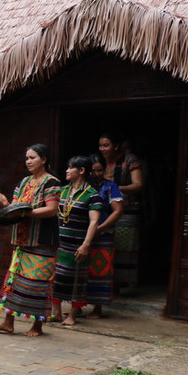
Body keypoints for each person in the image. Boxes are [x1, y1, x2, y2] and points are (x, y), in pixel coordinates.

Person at [0, 143, 61, 337]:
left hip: (42, 241)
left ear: (44, 159)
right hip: (21, 240)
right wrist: (5, 204)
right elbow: (14, 208)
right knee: (14, 281)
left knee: (39, 282)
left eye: (32, 158)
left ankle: (38, 325)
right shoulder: (23, 182)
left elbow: (52, 209)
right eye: (26, 158)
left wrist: (26, 213)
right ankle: (8, 322)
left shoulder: (51, 182)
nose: (28, 161)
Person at [51, 156, 102, 326]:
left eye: (70, 167)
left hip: (78, 243)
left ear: (81, 171)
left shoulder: (92, 195)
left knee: (76, 280)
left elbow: (94, 221)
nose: (66, 170)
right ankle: (56, 312)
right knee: (56, 277)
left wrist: (86, 244)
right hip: (59, 243)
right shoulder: (62, 191)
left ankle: (72, 315)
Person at [97, 133, 143, 291]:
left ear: (116, 146)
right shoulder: (101, 162)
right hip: (106, 210)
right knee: (109, 245)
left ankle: (126, 285)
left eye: (106, 145)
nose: (102, 149)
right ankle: (110, 284)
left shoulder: (129, 160)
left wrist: (114, 188)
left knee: (126, 247)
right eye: (101, 145)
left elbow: (138, 185)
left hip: (127, 210)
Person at [84, 153, 124, 318]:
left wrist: (100, 228)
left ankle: (97, 308)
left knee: (99, 270)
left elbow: (118, 211)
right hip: (83, 233)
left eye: (100, 170)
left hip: (103, 234)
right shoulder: (83, 186)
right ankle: (77, 306)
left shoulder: (110, 186)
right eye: (93, 171)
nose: (96, 174)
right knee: (81, 270)